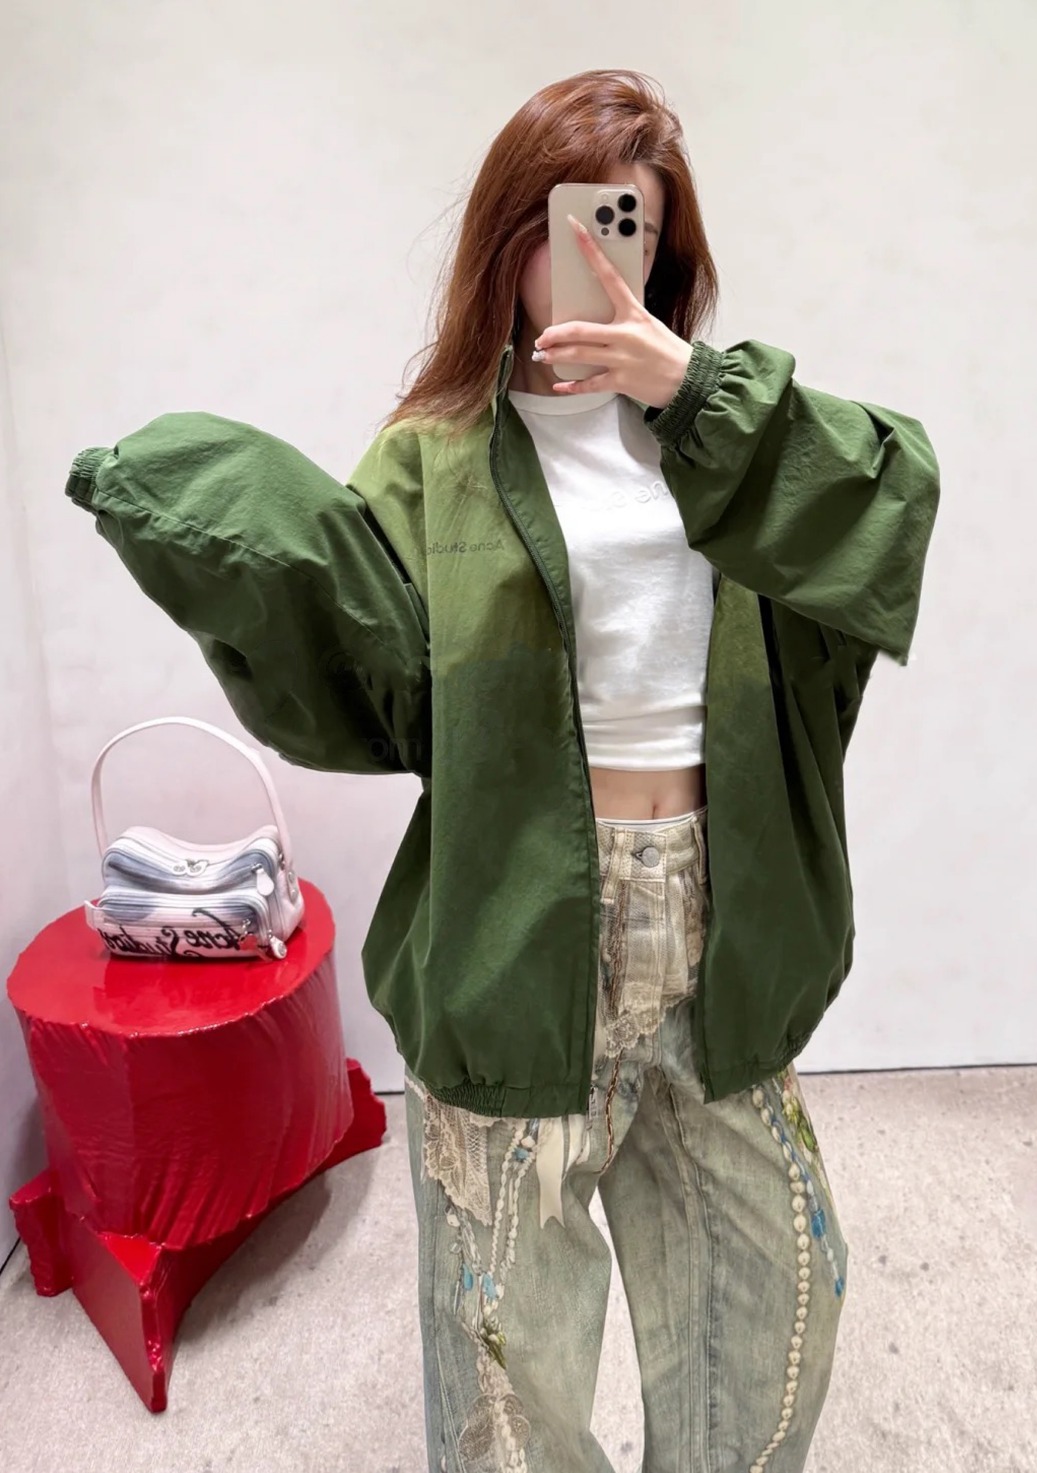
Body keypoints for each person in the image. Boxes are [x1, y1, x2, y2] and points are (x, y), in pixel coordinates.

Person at [65, 67, 940, 1473]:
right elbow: (375, 683)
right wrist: (230, 547)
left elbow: (890, 499)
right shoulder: (434, 457)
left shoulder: (727, 426)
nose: (601, 253)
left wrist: (687, 390)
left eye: (632, 221)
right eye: (567, 222)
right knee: (505, 1358)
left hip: (716, 923)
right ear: (508, 241)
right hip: (516, 926)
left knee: (771, 1314)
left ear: (669, 243)